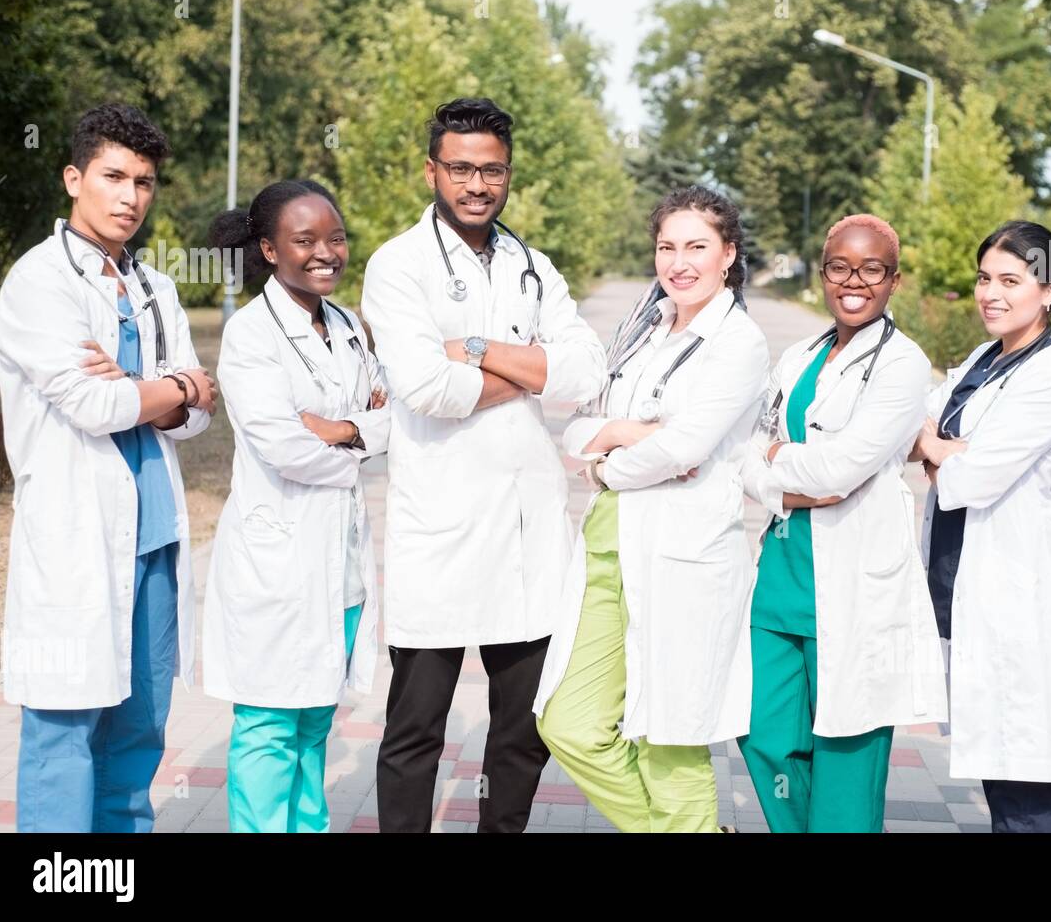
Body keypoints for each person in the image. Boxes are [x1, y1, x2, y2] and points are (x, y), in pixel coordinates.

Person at [363, 97, 606, 833]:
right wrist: (533, 371)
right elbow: (425, 389)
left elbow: (588, 371)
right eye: (461, 168)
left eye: (491, 170)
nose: (477, 184)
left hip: (530, 532)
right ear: (432, 169)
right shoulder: (397, 265)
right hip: (439, 529)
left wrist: (470, 348)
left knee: (521, 731)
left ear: (508, 175)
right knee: (416, 730)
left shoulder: (533, 264)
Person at [0, 103, 217, 832]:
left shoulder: (156, 287)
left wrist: (157, 393)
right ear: (73, 178)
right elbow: (94, 404)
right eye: (113, 176)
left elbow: (203, 414)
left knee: (138, 734)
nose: (130, 197)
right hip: (73, 543)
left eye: (144, 182)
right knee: (64, 734)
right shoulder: (39, 282)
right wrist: (174, 387)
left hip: (152, 542)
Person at [533, 186, 769, 833]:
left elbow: (686, 448)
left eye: (698, 246)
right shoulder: (642, 328)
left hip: (683, 551)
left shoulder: (739, 341)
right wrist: (622, 435)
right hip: (609, 542)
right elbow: (579, 430)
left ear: (729, 255)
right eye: (668, 246)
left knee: (670, 732)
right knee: (569, 723)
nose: (680, 261)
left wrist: (610, 455)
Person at [737, 214, 947, 833]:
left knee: (845, 749)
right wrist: (785, 481)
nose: (854, 281)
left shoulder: (904, 363)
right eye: (839, 267)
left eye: (872, 269)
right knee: (763, 734)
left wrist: (774, 463)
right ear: (824, 272)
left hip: (854, 582)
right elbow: (745, 456)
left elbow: (844, 468)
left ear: (894, 280)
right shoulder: (800, 353)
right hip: (780, 577)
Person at [203, 180, 390, 832]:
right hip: (277, 563)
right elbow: (285, 448)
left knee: (315, 720)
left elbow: (391, 419)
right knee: (268, 724)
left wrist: (340, 428)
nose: (325, 252)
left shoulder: (345, 326)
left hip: (340, 567)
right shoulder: (252, 335)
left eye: (334, 238)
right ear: (269, 249)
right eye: (304, 240)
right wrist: (358, 431)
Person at [912, 220, 1051, 833]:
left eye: (1011, 280)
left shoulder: (1049, 377)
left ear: (1050, 289)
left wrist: (943, 450)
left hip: (1016, 586)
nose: (991, 293)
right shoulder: (986, 357)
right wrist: (946, 447)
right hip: (964, 577)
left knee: (1024, 766)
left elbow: (975, 478)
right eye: (985, 278)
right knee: (996, 756)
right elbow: (920, 428)